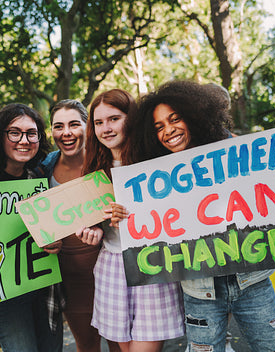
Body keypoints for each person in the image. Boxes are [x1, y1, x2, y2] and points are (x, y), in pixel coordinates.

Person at [117, 79, 275, 352]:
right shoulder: (152, 180)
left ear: (195, 116)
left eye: (175, 119)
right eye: (159, 127)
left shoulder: (236, 155)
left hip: (253, 284)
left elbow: (269, 195)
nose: (169, 130)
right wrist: (121, 213)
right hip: (200, 293)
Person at [76, 89, 185, 352]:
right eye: (98, 122)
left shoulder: (158, 160)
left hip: (152, 264)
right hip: (111, 265)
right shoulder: (93, 170)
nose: (106, 128)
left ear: (132, 118)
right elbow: (94, 224)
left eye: (114, 118)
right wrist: (92, 232)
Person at [36, 100, 120, 352]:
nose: (66, 132)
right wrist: (44, 240)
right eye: (58, 126)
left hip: (112, 275)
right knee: (86, 345)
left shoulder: (107, 164)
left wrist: (102, 228)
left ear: (88, 127)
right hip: (71, 281)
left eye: (74, 124)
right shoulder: (42, 170)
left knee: (120, 346)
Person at [0, 103, 63, 352]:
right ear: (1, 136)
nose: (24, 140)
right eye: (14, 132)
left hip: (44, 287)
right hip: (5, 293)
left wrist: (54, 239)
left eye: (32, 133)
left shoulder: (39, 177)